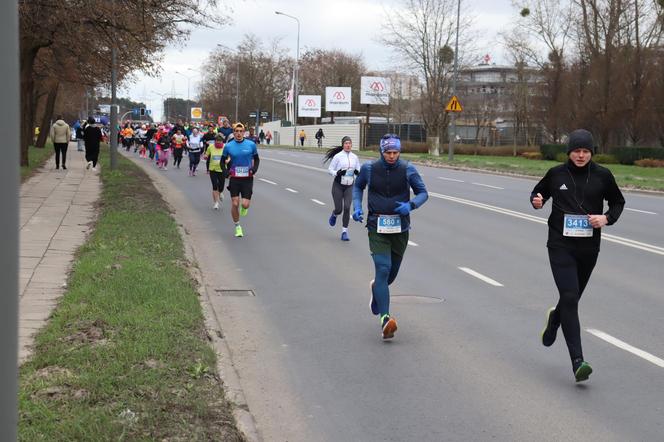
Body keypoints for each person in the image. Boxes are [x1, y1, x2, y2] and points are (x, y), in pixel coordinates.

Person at [531, 129, 625, 382]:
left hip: (588, 247)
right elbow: (538, 193)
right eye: (576, 151)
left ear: (591, 153)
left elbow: (618, 202)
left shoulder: (603, 176)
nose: (581, 155)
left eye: (585, 151)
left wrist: (606, 218)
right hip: (560, 244)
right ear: (569, 152)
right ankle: (578, 362)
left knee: (571, 297)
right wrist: (537, 201)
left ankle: (555, 319)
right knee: (570, 296)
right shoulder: (556, 174)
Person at [353, 134, 428, 340]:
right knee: (383, 269)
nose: (392, 156)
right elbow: (358, 187)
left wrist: (411, 205)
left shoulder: (407, 169)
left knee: (389, 276)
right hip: (376, 225)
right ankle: (385, 319)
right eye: (388, 153)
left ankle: (376, 288)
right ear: (381, 152)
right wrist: (357, 206)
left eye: (395, 152)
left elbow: (423, 192)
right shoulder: (369, 169)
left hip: (400, 228)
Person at [221, 123, 260, 238]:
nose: (238, 133)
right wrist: (226, 173)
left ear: (244, 132)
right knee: (235, 203)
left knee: (245, 204)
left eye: (240, 131)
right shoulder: (228, 146)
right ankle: (237, 226)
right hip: (234, 179)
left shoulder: (251, 145)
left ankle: (244, 207)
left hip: (247, 178)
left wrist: (254, 170)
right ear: (233, 132)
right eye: (236, 131)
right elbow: (222, 162)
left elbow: (257, 159)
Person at [324, 136, 361, 241]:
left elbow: (358, 169)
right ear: (343, 145)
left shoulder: (355, 157)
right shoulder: (338, 156)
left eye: (349, 143)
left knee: (347, 208)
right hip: (338, 186)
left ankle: (344, 232)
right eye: (346, 143)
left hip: (350, 186)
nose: (348, 145)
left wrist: (357, 173)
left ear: (351, 145)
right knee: (339, 209)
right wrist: (337, 173)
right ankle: (334, 214)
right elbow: (330, 169)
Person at [205, 133, 226, 209]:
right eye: (217, 140)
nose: (218, 142)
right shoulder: (211, 147)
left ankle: (220, 192)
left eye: (220, 141)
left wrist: (227, 160)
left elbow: (229, 156)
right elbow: (207, 154)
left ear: (222, 141)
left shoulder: (225, 147)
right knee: (214, 186)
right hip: (213, 169)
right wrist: (206, 156)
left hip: (222, 169)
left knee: (221, 186)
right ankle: (216, 203)